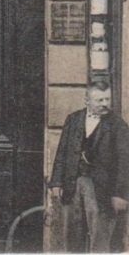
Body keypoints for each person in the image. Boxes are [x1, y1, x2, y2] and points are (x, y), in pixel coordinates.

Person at [49, 80, 129, 252]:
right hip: (73, 184)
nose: (105, 104)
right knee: (72, 235)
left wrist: (120, 194)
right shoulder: (73, 119)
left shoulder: (118, 125)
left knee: (100, 238)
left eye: (107, 99)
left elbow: (125, 162)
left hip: (102, 190)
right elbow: (62, 152)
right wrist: (56, 182)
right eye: (99, 100)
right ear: (87, 100)